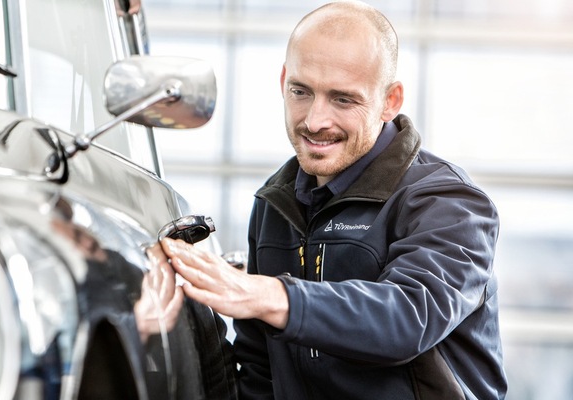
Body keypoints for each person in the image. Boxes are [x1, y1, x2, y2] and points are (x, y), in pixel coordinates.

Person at [160, 1, 507, 399]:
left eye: (342, 99)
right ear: (283, 82)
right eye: (301, 92)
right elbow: (260, 371)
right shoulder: (275, 203)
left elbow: (407, 317)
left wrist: (267, 295)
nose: (314, 121)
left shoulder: (448, 203)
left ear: (390, 101)